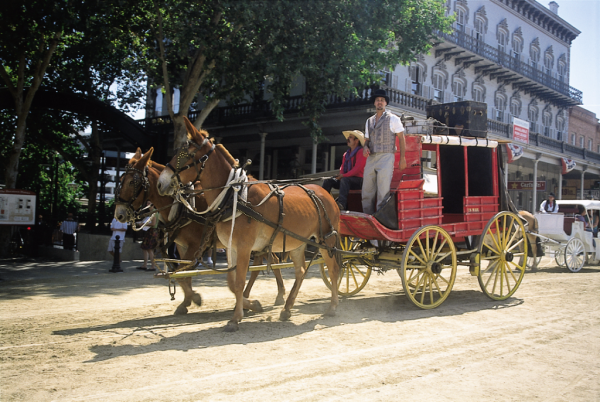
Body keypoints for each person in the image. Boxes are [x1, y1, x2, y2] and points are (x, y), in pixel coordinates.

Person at [361, 89, 406, 215]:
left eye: (382, 100)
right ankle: (367, 217)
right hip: (371, 157)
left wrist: (402, 159)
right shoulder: (369, 121)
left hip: (386, 156)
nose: (379, 102)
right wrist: (365, 147)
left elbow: (401, 138)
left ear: (385, 103)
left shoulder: (393, 119)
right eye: (377, 100)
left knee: (383, 191)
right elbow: (367, 140)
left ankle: (381, 220)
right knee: (366, 190)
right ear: (374, 103)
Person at [321, 130, 367, 211]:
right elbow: (342, 168)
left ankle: (342, 205)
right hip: (346, 179)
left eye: (350, 137)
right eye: (348, 137)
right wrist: (340, 175)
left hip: (359, 181)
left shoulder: (361, 152)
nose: (348, 139)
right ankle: (322, 203)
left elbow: (357, 169)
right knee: (328, 181)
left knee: (345, 180)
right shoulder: (346, 154)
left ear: (356, 141)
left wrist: (343, 176)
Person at [136, 201, 159, 271]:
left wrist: (143, 224)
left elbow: (153, 223)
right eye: (147, 203)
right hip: (149, 231)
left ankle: (153, 266)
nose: (147, 204)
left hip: (152, 231)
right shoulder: (150, 212)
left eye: (149, 203)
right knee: (144, 248)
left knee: (149, 249)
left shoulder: (154, 212)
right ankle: (145, 265)